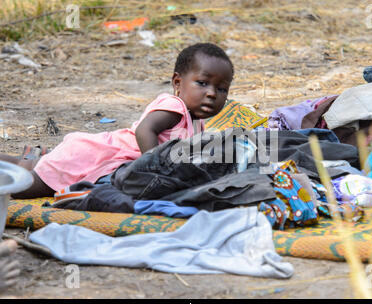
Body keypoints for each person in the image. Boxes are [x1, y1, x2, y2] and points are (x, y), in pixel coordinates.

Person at [0, 43, 234, 199]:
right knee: (25, 188)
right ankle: (25, 165)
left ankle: (24, 159)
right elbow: (146, 130)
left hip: (97, 155)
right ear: (177, 83)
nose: (212, 93)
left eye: (221, 89)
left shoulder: (196, 123)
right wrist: (156, 169)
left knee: (30, 167)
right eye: (202, 83)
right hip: (93, 156)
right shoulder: (175, 107)